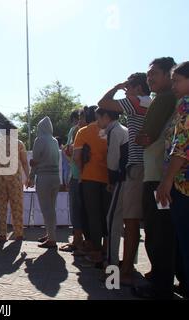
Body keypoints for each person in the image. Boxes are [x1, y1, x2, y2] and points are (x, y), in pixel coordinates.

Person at [98, 72, 152, 284]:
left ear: (137, 87)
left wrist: (115, 86)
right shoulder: (150, 102)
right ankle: (128, 266)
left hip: (136, 168)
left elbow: (103, 102)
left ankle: (120, 270)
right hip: (145, 167)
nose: (126, 90)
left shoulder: (138, 101)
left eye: (129, 86)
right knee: (133, 221)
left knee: (122, 220)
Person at [132, 57, 179, 299]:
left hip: (157, 178)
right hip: (162, 175)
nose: (150, 78)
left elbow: (145, 137)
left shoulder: (164, 98)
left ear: (168, 75)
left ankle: (161, 287)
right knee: (166, 231)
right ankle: (164, 279)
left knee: (157, 231)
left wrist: (142, 137)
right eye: (149, 74)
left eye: (154, 74)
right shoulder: (173, 98)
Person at [156, 61, 189, 297]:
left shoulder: (186, 105)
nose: (174, 85)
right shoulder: (181, 104)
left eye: (177, 80)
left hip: (182, 185)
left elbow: (182, 147)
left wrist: (166, 181)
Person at [73, 106, 111, 265]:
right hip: (109, 177)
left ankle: (95, 251)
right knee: (106, 214)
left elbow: (76, 157)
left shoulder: (83, 132)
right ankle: (106, 248)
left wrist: (81, 173)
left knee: (93, 215)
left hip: (89, 177)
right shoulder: (109, 129)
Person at [95, 108, 128, 269]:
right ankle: (128, 263)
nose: (98, 123)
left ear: (106, 117)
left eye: (99, 119)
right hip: (130, 178)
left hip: (122, 179)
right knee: (129, 222)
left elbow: (113, 160)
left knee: (112, 221)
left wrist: (111, 180)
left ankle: (111, 263)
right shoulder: (124, 129)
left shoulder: (115, 131)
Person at [0, 121, 29, 242]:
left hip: (0, 180)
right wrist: (28, 177)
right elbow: (24, 162)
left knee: (1, 206)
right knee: (17, 206)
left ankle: (3, 234)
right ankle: (19, 233)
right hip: (15, 179)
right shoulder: (19, 144)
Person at [28, 117, 61, 249]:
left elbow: (35, 162)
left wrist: (31, 177)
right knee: (51, 208)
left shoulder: (39, 140)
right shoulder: (54, 141)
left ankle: (52, 239)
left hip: (44, 177)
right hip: (55, 177)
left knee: (46, 209)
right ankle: (50, 234)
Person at [60, 109, 86, 252]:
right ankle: (83, 241)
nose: (78, 122)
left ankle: (78, 241)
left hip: (78, 175)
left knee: (77, 209)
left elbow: (70, 151)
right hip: (84, 175)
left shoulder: (78, 131)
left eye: (81, 118)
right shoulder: (98, 130)